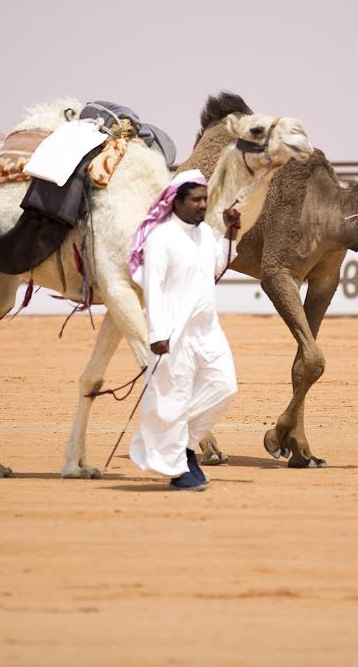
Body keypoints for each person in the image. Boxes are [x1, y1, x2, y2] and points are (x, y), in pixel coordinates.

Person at [127, 169, 241, 491]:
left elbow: (219, 264)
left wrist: (232, 231)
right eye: (195, 199)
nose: (202, 205)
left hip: (208, 331)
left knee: (224, 386)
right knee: (174, 399)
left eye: (205, 199)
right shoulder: (161, 238)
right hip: (173, 336)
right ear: (176, 201)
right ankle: (179, 469)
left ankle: (181, 443)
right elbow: (155, 288)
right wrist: (157, 334)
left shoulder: (205, 234)